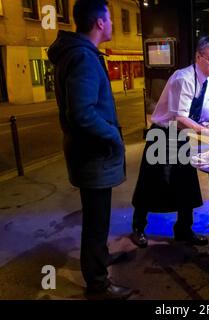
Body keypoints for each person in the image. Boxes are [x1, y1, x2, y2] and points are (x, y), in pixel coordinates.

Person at [48, 0, 133, 300]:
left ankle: (99, 259)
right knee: (96, 223)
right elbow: (81, 113)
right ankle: (98, 284)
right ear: (99, 23)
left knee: (99, 218)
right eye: (110, 19)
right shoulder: (83, 58)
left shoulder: (80, 55)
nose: (111, 24)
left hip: (90, 153)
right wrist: (113, 136)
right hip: (93, 154)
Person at [130, 36, 209, 248]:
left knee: (186, 183)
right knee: (151, 183)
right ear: (198, 56)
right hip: (163, 135)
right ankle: (138, 227)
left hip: (181, 136)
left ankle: (183, 229)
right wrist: (207, 132)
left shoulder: (206, 81)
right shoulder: (183, 78)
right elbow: (179, 117)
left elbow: (204, 112)